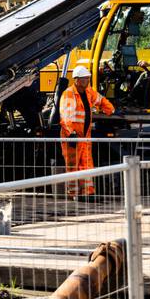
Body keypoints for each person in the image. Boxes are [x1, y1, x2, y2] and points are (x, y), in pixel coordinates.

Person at [59, 64, 115, 200]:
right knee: (72, 165)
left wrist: (111, 110)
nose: (87, 81)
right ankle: (74, 193)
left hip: (84, 136)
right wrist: (70, 132)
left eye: (88, 79)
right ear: (77, 80)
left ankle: (88, 193)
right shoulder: (69, 93)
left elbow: (100, 100)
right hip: (72, 137)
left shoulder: (89, 92)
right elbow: (66, 116)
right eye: (84, 79)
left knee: (87, 164)